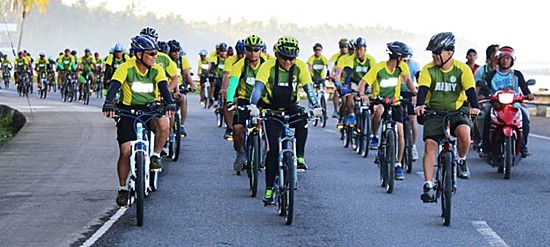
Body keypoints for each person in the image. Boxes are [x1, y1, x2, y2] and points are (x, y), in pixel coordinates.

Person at [101, 35, 175, 207]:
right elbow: (114, 86)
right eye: (150, 53)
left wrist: (169, 102)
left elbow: (164, 88)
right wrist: (109, 102)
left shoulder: (157, 70)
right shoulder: (125, 68)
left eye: (155, 53)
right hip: (128, 111)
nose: (154, 56)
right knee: (125, 151)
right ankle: (122, 189)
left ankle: (155, 155)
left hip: (149, 109)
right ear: (139, 54)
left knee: (164, 122)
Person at [248, 36, 323, 205]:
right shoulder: (267, 66)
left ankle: (300, 157)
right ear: (277, 54)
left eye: (292, 58)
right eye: (284, 58)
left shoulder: (301, 66)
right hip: (271, 109)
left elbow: (308, 89)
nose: (289, 62)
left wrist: (316, 105)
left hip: (290, 106)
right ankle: (269, 188)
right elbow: (259, 87)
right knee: (273, 149)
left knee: (303, 120)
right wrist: (253, 105)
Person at [414, 32, 480, 202]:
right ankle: (428, 185)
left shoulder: (462, 69)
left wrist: (475, 107)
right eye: (433, 53)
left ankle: (462, 160)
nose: (434, 56)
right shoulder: (428, 70)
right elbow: (423, 89)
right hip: (434, 112)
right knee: (430, 145)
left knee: (465, 133)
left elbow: (471, 91)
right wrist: (420, 105)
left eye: (438, 53)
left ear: (449, 53)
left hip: (457, 110)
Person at [358, 41, 417, 180]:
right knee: (378, 110)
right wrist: (363, 95)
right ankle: (374, 136)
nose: (403, 60)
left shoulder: (402, 67)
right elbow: (363, 83)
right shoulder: (379, 67)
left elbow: (408, 80)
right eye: (402, 57)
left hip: (395, 102)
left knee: (400, 132)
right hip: (380, 100)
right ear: (397, 57)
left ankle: (397, 164)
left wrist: (415, 93)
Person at [480, 46, 535, 158]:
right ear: (498, 59)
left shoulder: (516, 74)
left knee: (525, 117)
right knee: (486, 117)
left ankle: (523, 147)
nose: (505, 61)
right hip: (496, 105)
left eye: (508, 58)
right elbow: (484, 88)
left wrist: (528, 94)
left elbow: (524, 87)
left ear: (512, 60)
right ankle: (485, 148)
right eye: (503, 58)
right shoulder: (492, 75)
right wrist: (482, 95)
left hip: (514, 104)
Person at [226, 34, 266, 171]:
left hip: (263, 100)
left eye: (256, 50)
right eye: (249, 50)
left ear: (261, 50)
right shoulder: (239, 65)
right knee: (237, 129)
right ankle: (241, 153)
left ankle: (265, 155)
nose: (253, 53)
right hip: (244, 100)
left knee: (268, 128)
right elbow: (233, 84)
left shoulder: (267, 64)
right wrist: (230, 100)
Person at [334, 37, 376, 131]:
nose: (359, 52)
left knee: (372, 102)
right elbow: (348, 73)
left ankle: (369, 125)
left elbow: (375, 75)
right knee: (348, 96)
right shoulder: (350, 59)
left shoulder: (371, 60)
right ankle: (352, 114)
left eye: (361, 49)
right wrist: (344, 86)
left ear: (365, 49)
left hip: (366, 82)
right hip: (354, 81)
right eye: (356, 49)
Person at [167, 39, 198, 137]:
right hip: (167, 87)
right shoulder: (165, 60)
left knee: (183, 99)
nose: (176, 54)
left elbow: (187, 74)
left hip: (179, 87)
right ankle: (169, 129)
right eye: (174, 52)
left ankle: (182, 124)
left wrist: (193, 85)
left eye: (178, 51)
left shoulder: (182, 60)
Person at [220, 39, 247, 140]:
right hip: (234, 84)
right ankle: (230, 128)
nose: (241, 56)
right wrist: (224, 89)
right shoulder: (231, 60)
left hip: (246, 85)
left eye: (243, 54)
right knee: (227, 100)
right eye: (239, 54)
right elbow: (226, 76)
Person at [403, 46, 421, 161]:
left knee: (412, 119)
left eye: (407, 60)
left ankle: (413, 146)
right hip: (397, 92)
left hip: (410, 92)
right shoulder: (396, 65)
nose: (405, 62)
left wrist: (417, 95)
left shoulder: (415, 65)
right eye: (404, 60)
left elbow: (419, 79)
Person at [328, 38, 349, 118]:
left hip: (347, 79)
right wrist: (330, 75)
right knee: (336, 91)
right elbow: (330, 66)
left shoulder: (350, 56)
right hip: (338, 79)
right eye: (342, 47)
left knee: (346, 100)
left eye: (345, 47)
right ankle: (336, 110)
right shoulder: (335, 56)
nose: (344, 49)